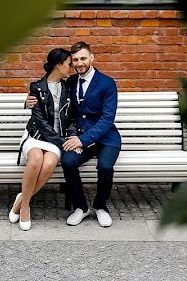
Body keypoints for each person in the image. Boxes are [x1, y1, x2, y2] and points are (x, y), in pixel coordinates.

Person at [25, 41, 120, 227]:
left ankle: (101, 207)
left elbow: (107, 119)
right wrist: (28, 101)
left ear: (92, 58)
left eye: (83, 58)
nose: (79, 63)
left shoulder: (108, 83)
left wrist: (82, 140)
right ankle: (80, 207)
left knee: (105, 167)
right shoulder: (70, 81)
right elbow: (48, 92)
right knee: (68, 162)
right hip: (78, 137)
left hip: (105, 138)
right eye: (75, 60)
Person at [9, 47, 76, 231]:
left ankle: (22, 200)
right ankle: (25, 209)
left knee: (48, 165)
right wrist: (62, 143)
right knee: (36, 159)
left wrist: (69, 138)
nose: (71, 67)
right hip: (36, 136)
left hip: (56, 139)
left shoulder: (68, 88)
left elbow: (70, 118)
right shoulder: (36, 87)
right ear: (58, 65)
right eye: (69, 64)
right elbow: (39, 122)